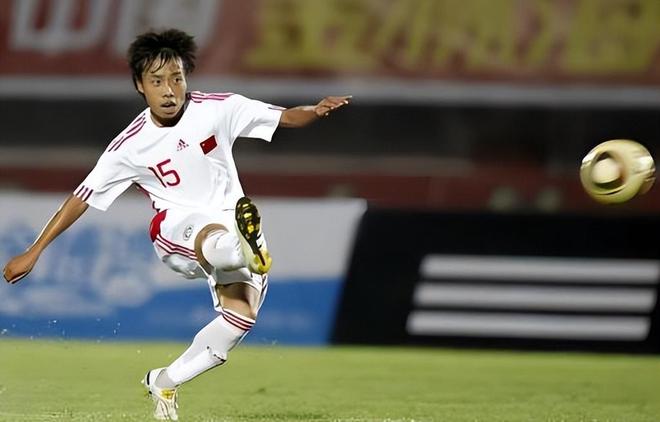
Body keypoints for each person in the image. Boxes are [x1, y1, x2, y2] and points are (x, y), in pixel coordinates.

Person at [2, 28, 350, 421]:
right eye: (157, 81)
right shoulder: (129, 146)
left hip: (231, 216)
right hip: (177, 230)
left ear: (187, 79)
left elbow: (283, 117)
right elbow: (82, 197)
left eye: (176, 79)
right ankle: (243, 249)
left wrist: (315, 111)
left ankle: (165, 380)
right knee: (214, 236)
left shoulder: (218, 108)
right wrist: (35, 250)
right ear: (140, 85)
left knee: (239, 321)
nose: (169, 90)